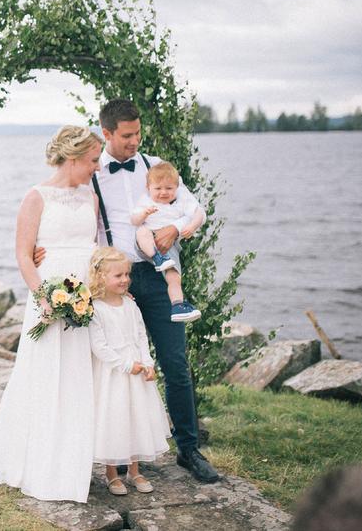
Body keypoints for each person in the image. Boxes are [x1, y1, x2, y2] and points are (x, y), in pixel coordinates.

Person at [34, 98, 219, 484]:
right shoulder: (93, 174)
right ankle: (111, 456)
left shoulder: (157, 168)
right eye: (127, 135)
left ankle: (188, 449)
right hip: (113, 282)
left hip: (158, 274)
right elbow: (71, 219)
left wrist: (179, 230)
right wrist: (42, 250)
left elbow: (191, 209)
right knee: (112, 367)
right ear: (107, 134)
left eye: (138, 133)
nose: (135, 141)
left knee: (174, 362)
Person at [0, 124, 102, 503]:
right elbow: (24, 254)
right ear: (73, 158)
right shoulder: (36, 197)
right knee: (44, 376)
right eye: (92, 160)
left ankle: (72, 466)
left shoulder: (91, 196)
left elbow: (93, 247)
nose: (97, 167)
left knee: (79, 379)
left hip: (86, 298)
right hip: (48, 300)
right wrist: (46, 297)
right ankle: (35, 462)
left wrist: (97, 293)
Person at [87, 246, 171, 495]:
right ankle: (112, 474)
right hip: (114, 374)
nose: (125, 280)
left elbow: (140, 336)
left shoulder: (130, 305)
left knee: (136, 418)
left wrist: (147, 363)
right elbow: (98, 346)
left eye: (127, 274)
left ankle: (135, 470)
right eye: (118, 276)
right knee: (115, 420)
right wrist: (125, 365)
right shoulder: (96, 308)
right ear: (101, 277)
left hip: (137, 371)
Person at [131, 161, 204, 322]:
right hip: (147, 241)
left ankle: (177, 305)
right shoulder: (146, 200)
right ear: (149, 188)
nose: (163, 192)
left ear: (177, 188)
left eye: (169, 188)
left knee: (174, 276)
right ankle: (157, 257)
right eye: (158, 188)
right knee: (142, 231)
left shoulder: (181, 201)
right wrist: (144, 214)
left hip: (169, 244)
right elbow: (134, 220)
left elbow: (199, 213)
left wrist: (191, 227)